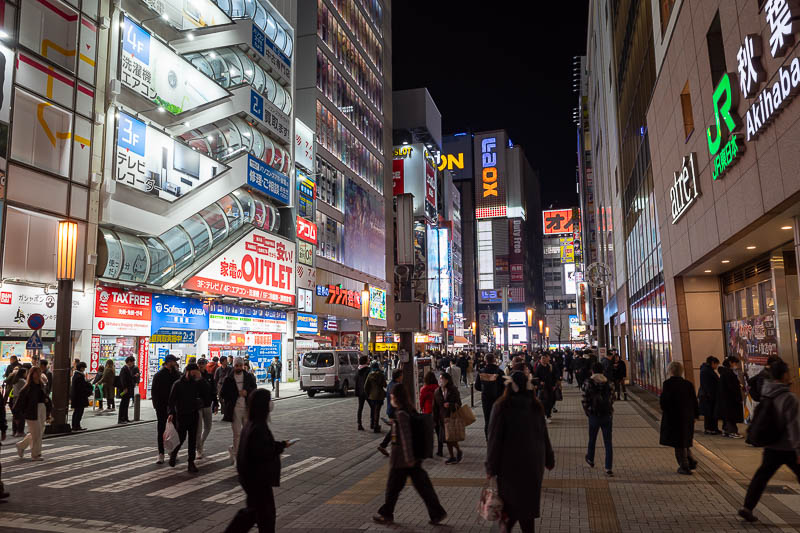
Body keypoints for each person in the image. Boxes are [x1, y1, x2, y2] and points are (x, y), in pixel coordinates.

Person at [487, 371, 555, 532]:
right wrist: (549, 459)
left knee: (509, 510)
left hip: (508, 466)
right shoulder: (535, 405)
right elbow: (543, 434)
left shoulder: (502, 406)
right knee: (527, 511)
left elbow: (494, 439)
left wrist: (491, 467)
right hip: (533, 465)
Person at [372, 384, 447, 526]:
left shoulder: (401, 414)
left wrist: (409, 459)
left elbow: (406, 438)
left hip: (402, 460)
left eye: (392, 396)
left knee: (393, 488)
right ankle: (437, 513)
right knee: (423, 487)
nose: (391, 399)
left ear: (396, 397)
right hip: (411, 459)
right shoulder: (409, 410)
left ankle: (387, 514)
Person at [738, 359, 800, 523]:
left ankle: (747, 507)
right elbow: (794, 427)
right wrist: (799, 449)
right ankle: (747, 508)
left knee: (761, 477)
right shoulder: (789, 398)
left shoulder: (767, 392)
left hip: (771, 446)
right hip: (788, 447)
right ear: (784, 374)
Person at [225, 389, 294, 533]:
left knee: (255, 514)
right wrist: (279, 447)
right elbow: (263, 451)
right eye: (269, 401)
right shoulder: (258, 427)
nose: (271, 404)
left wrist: (280, 444)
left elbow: (262, 446)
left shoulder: (251, 424)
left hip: (252, 480)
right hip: (258, 480)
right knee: (264, 516)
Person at [660, 361, 699, 475]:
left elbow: (664, 402)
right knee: (685, 440)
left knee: (678, 442)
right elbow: (694, 401)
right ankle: (691, 460)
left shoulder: (667, 384)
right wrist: (695, 415)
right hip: (687, 416)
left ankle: (685, 466)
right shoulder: (688, 384)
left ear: (670, 371)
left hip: (673, 418)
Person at [167, 363, 203, 473]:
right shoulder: (178, 384)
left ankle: (191, 462)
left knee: (192, 439)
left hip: (194, 414)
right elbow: (171, 400)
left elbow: (205, 392)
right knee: (181, 438)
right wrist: (171, 412)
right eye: (194, 372)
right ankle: (173, 454)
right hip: (181, 415)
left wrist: (200, 378)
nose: (195, 374)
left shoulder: (196, 383)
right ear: (188, 371)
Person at [221, 357, 257, 465]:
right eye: (237, 365)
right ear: (234, 366)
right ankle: (237, 456)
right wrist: (237, 394)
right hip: (235, 409)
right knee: (236, 434)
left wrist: (247, 392)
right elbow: (223, 394)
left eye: (240, 365)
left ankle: (238, 451)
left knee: (247, 433)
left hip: (246, 408)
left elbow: (255, 389)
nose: (239, 367)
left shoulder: (248, 376)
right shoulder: (229, 378)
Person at [582, 362, 614, 476]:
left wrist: (588, 412)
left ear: (592, 371)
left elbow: (584, 399)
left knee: (592, 438)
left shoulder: (588, 382)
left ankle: (590, 459)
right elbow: (612, 398)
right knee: (608, 442)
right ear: (603, 371)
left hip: (594, 415)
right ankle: (608, 467)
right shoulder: (609, 383)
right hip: (607, 415)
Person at [13, 366, 51, 461]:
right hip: (32, 411)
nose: (38, 374)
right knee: (36, 433)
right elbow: (20, 402)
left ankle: (21, 445)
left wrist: (49, 410)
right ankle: (36, 454)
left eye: (39, 372)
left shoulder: (42, 385)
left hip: (42, 409)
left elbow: (46, 398)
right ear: (31, 374)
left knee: (38, 432)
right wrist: (17, 415)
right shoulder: (28, 387)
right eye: (36, 372)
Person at [151, 354, 180, 464]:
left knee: (175, 430)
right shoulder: (159, 375)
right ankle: (161, 453)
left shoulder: (176, 374)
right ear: (169, 362)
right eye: (174, 362)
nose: (175, 364)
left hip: (174, 407)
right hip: (162, 407)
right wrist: (156, 405)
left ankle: (172, 451)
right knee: (161, 429)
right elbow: (154, 391)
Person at [433, 372, 463, 465]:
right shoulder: (437, 391)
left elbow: (459, 403)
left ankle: (457, 452)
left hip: (451, 417)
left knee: (450, 438)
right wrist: (435, 419)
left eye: (442, 378)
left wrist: (450, 405)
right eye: (440, 378)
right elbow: (435, 406)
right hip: (442, 418)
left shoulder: (453, 390)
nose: (440, 380)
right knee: (446, 439)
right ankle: (453, 456)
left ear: (447, 380)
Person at [475, 353, 504, 438]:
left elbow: (477, 386)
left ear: (485, 360)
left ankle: (488, 439)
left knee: (487, 420)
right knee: (498, 419)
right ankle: (498, 438)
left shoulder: (482, 371)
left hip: (486, 399)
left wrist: (485, 389)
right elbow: (504, 386)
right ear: (494, 360)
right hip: (498, 398)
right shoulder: (499, 372)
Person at [716, 356, 744, 438]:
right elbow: (732, 387)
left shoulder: (724, 372)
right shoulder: (728, 373)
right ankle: (732, 432)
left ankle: (726, 430)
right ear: (730, 363)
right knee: (731, 416)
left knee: (727, 416)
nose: (736, 365)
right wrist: (738, 397)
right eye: (735, 363)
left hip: (725, 399)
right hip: (730, 399)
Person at [378, 369, 404, 456]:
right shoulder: (396, 386)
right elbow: (396, 400)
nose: (402, 377)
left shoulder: (390, 384)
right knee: (396, 429)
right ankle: (388, 446)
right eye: (401, 375)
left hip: (390, 410)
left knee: (394, 429)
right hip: (395, 411)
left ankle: (385, 445)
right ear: (398, 377)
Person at [196, 358, 215, 459]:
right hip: (197, 406)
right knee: (198, 429)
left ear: (206, 365)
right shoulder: (194, 376)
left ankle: (200, 444)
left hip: (208, 405)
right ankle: (199, 449)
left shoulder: (209, 376)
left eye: (203, 363)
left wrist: (215, 403)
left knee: (208, 427)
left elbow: (213, 390)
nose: (201, 365)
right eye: (199, 363)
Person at [698, 356, 721, 435]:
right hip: (708, 396)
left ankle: (713, 428)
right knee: (709, 414)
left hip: (710, 395)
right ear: (712, 363)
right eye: (716, 364)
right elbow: (707, 385)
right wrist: (710, 395)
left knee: (712, 413)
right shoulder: (706, 371)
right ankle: (709, 429)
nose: (717, 366)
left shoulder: (707, 370)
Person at [363, 361, 387, 433]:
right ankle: (376, 426)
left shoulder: (370, 375)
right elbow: (385, 385)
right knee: (377, 411)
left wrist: (368, 393)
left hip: (372, 396)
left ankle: (372, 424)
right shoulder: (381, 375)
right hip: (379, 396)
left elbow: (365, 386)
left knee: (373, 410)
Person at [70, 361, 92, 431]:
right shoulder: (79, 376)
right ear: (81, 368)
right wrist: (88, 388)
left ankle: (75, 425)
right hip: (79, 398)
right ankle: (76, 426)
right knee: (79, 412)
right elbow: (81, 388)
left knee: (77, 411)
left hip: (77, 397)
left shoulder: (77, 375)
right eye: (84, 368)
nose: (84, 369)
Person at [535, 353, 557, 422]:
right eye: (542, 358)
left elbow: (553, 376)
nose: (543, 360)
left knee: (551, 401)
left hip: (550, 386)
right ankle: (546, 415)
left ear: (548, 358)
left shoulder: (549, 366)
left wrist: (554, 385)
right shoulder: (539, 367)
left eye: (545, 358)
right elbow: (535, 377)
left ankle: (548, 414)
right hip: (543, 388)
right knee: (544, 402)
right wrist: (540, 382)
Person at [9, 366, 27, 437]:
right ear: (23, 373)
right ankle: (20, 431)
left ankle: (15, 431)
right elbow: (27, 388)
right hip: (20, 399)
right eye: (26, 373)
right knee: (21, 416)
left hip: (14, 398)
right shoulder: (22, 381)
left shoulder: (15, 380)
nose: (26, 374)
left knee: (15, 415)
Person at [117, 356, 136, 424]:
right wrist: (125, 388)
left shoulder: (127, 369)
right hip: (125, 390)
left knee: (126, 404)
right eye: (132, 362)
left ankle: (125, 418)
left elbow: (129, 378)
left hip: (128, 389)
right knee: (123, 404)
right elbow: (123, 379)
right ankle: (121, 419)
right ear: (129, 362)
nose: (133, 363)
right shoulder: (124, 369)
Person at [355, 355, 371, 431]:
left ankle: (359, 424)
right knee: (373, 407)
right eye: (368, 359)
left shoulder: (358, 370)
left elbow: (356, 380)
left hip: (360, 392)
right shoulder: (368, 370)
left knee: (360, 408)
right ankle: (373, 423)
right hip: (367, 391)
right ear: (365, 361)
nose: (369, 360)